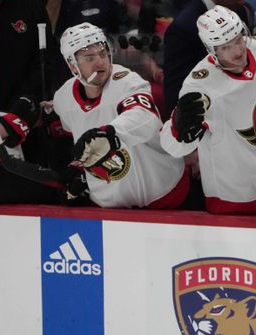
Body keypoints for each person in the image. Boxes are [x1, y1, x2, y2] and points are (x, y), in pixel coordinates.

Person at [160, 5, 256, 215]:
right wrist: (177, 127)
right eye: (226, 46)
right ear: (212, 50)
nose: (238, 50)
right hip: (235, 201)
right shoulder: (199, 86)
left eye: (239, 39)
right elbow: (175, 147)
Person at [53, 22, 188, 208]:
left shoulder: (127, 81)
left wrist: (109, 133)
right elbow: (73, 132)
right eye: (89, 58)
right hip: (109, 207)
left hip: (164, 194)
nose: (100, 62)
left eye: (103, 53)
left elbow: (144, 117)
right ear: (73, 65)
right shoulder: (63, 98)